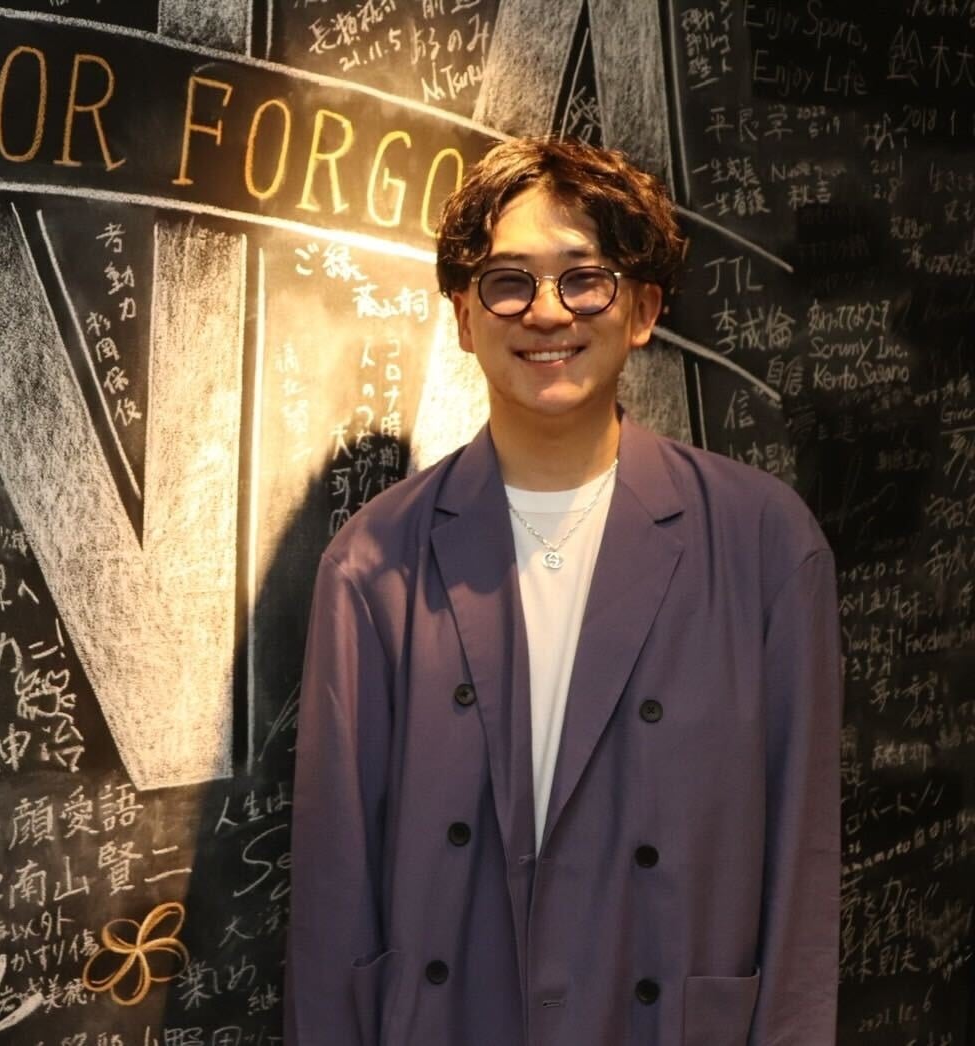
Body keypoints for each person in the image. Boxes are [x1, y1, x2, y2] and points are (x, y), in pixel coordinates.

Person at [284, 137, 841, 1045]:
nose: (546, 312)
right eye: (508, 282)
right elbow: (333, 894)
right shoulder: (372, 566)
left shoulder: (766, 545)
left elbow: (802, 875)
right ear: (465, 318)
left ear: (643, 309)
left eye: (585, 280)